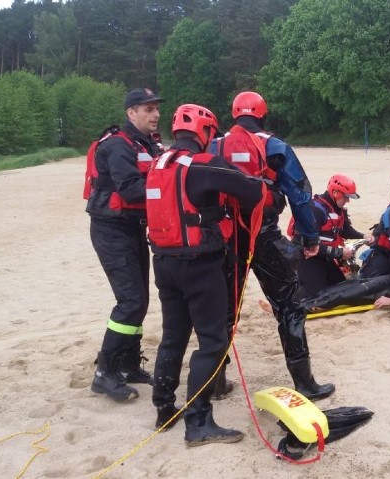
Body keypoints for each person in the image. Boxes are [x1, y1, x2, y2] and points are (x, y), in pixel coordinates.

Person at [147, 104, 264, 446]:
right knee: (212, 341)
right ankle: (198, 422)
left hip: (164, 263)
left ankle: (164, 409)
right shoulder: (204, 164)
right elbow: (252, 190)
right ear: (207, 133)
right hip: (200, 265)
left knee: (173, 336)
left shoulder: (158, 163)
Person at [210, 91, 335, 401]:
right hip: (264, 236)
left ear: (235, 114)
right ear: (262, 115)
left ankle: (216, 381)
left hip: (226, 237)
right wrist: (310, 238)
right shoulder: (274, 146)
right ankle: (304, 383)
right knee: (290, 307)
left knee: (224, 310)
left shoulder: (215, 145)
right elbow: (300, 194)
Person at [87, 88, 163, 402]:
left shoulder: (150, 143)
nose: (156, 114)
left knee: (139, 300)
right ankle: (105, 372)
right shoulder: (118, 145)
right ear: (131, 113)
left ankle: (130, 365)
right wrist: (171, 186)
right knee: (130, 301)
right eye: (147, 109)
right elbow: (131, 191)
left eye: (156, 109)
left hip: (132, 228)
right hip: (111, 228)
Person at [289, 174, 371, 297]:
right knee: (317, 294)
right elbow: (306, 242)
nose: (348, 201)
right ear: (336, 193)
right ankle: (283, 302)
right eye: (346, 197)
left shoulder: (338, 209)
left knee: (339, 286)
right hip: (306, 257)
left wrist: (363, 237)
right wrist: (339, 253)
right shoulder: (315, 210)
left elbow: (345, 230)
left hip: (324, 256)